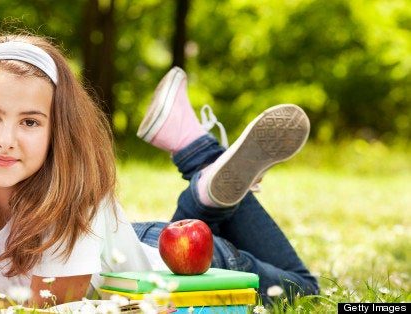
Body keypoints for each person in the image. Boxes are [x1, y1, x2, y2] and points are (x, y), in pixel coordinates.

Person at [0, 32, 317, 310]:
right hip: (127, 244)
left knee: (305, 290)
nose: (6, 139)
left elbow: (44, 310)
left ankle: (200, 168)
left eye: (30, 122)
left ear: (59, 133)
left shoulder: (71, 210)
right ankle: (199, 163)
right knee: (191, 216)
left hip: (175, 269)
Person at [131, 66, 320, 303]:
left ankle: (200, 160)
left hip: (142, 255)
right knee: (306, 291)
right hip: (140, 245)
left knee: (302, 288)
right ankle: (199, 157)